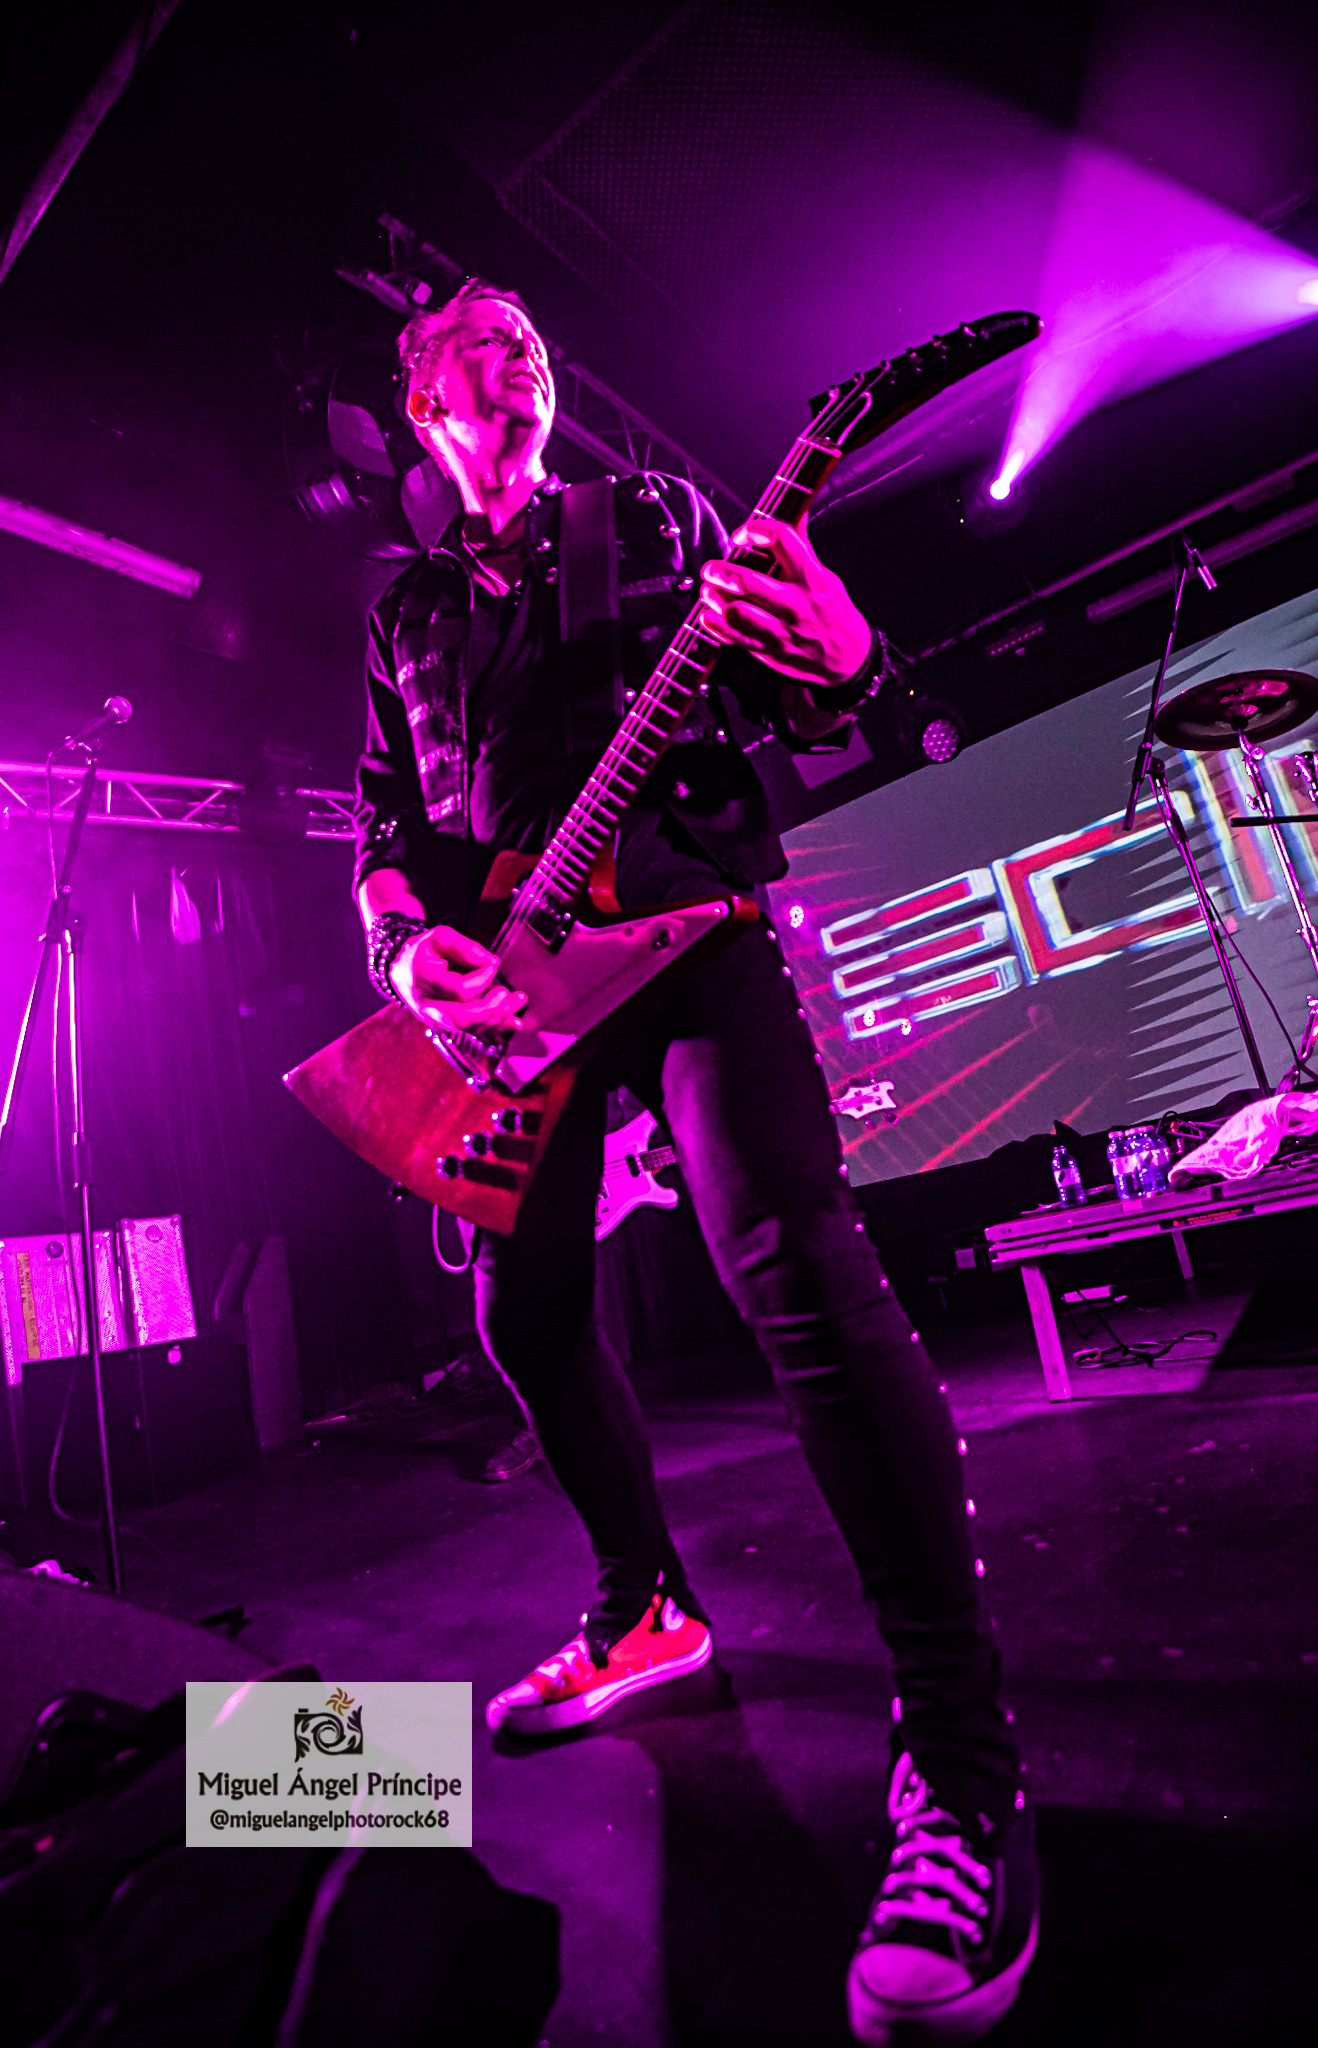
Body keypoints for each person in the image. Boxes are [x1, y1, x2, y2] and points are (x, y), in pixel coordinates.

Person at [353, 279, 1037, 2046]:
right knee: (523, 1317)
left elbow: (809, 707)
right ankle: (642, 1606)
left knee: (789, 1261)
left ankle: (960, 1761)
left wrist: (846, 656)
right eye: (477, 343)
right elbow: (387, 826)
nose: (515, 355)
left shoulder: (645, 518)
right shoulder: (406, 608)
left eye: (529, 337)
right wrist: (405, 953)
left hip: (681, 931)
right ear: (424, 402)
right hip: (516, 993)